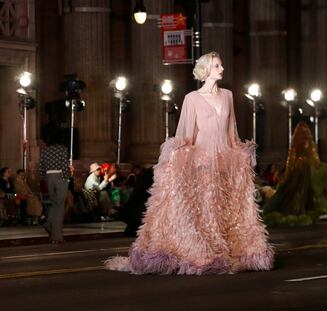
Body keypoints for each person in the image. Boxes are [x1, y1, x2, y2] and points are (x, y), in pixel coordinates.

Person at [105, 51, 274, 275]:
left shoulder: (228, 96)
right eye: (216, 66)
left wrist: (241, 154)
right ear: (205, 70)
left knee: (226, 210)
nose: (221, 69)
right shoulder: (192, 99)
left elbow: (232, 131)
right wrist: (174, 155)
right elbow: (186, 134)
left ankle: (233, 250)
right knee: (205, 209)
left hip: (225, 162)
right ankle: (206, 253)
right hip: (202, 162)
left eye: (220, 65)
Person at [263, 122, 327, 226]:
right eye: (303, 134)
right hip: (300, 170)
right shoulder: (300, 148)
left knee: (303, 192)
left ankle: (302, 208)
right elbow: (295, 158)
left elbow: (310, 156)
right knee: (296, 192)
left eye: (305, 133)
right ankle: (297, 210)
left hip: (304, 170)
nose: (305, 136)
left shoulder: (305, 145)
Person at [39, 129, 71, 243]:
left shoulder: (45, 151)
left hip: (49, 178)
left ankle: (48, 224)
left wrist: (45, 178)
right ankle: (56, 237)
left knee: (54, 203)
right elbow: (64, 165)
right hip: (60, 176)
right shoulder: (62, 149)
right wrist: (67, 178)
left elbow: (41, 166)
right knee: (60, 207)